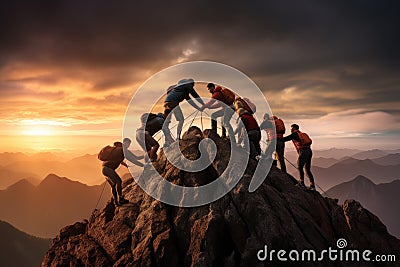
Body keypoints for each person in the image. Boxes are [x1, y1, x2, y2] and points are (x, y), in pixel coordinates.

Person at [99, 138, 144, 206]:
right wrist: (143, 161)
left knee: (113, 186)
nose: (128, 146)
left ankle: (116, 202)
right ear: (126, 143)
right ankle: (121, 199)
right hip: (108, 170)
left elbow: (119, 160)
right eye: (128, 144)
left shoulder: (115, 150)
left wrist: (126, 165)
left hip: (104, 169)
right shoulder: (123, 150)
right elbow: (135, 158)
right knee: (119, 181)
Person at [282, 124, 315, 190]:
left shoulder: (295, 134)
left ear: (294, 128)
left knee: (300, 166)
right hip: (309, 151)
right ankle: (312, 185)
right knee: (307, 169)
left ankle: (301, 182)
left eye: (291, 128)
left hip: (303, 151)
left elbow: (285, 139)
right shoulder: (302, 134)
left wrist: (274, 139)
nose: (290, 130)